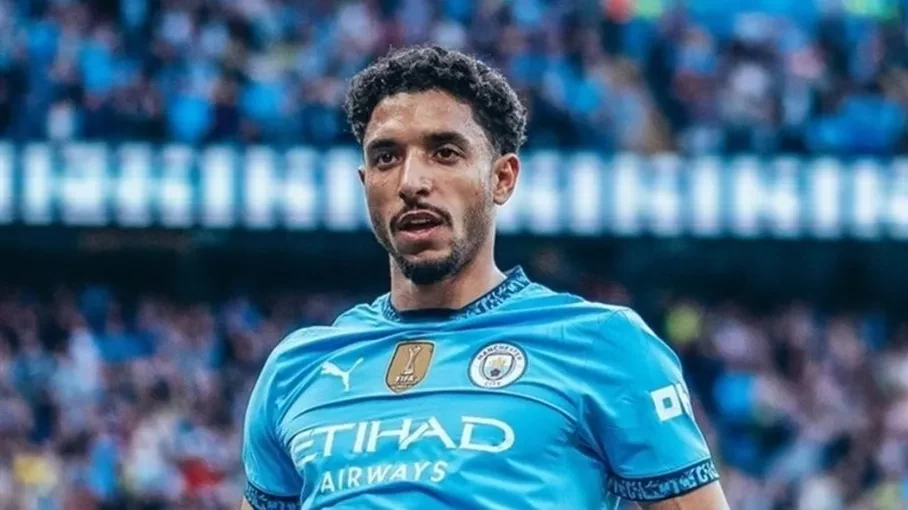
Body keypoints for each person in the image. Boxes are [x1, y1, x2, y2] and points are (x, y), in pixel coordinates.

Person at [240, 45, 729, 510]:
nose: (411, 182)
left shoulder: (602, 344)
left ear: (502, 178)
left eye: (445, 152)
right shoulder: (296, 368)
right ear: (366, 183)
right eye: (386, 157)